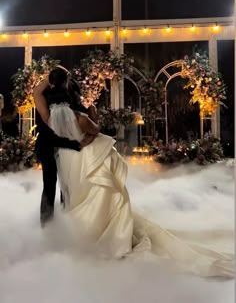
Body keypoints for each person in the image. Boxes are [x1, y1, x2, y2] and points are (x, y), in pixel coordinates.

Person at [35, 74, 234, 278]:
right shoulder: (81, 118)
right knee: (94, 193)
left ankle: (63, 234)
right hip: (82, 159)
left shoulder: (48, 118)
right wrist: (90, 123)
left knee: (68, 194)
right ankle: (98, 231)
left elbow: (36, 94)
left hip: (66, 160)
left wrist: (50, 79)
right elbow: (96, 130)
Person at [33, 67, 90, 227]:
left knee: (62, 184)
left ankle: (59, 222)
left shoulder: (45, 95)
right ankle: (49, 223)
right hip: (59, 144)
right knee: (55, 184)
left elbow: (38, 93)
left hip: (60, 143)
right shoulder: (59, 95)